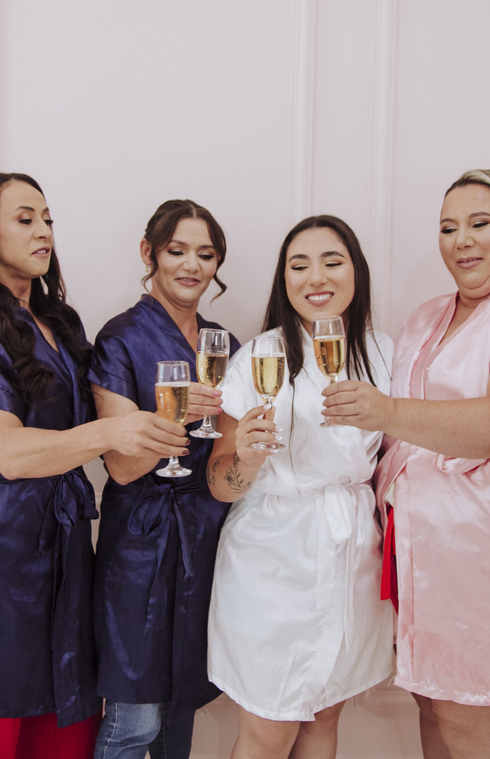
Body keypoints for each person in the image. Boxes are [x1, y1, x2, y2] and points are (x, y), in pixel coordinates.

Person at [322, 169, 490, 759]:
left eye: (480, 223)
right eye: (448, 228)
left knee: (470, 719)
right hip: (416, 550)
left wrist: (386, 411)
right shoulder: (425, 317)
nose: (461, 240)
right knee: (434, 703)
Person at [0, 173, 190, 759]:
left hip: (63, 546)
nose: (44, 231)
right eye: (25, 219)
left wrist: (172, 410)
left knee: (65, 723)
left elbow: (103, 425)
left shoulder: (57, 321)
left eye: (47, 219)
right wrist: (110, 431)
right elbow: (9, 453)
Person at [205, 215, 396, 759]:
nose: (316, 277)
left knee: (325, 714)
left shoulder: (384, 352)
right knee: (268, 727)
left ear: (356, 271)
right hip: (272, 556)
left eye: (332, 261)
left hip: (353, 550)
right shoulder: (257, 357)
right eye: (299, 264)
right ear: (283, 279)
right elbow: (220, 484)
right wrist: (246, 459)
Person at [89, 200, 240, 759]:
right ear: (149, 253)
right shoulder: (119, 338)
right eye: (177, 250)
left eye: (206, 254)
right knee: (136, 713)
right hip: (142, 535)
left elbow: (228, 451)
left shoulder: (224, 342)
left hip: (206, 530)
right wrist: (172, 413)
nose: (192, 266)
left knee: (181, 705)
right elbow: (122, 466)